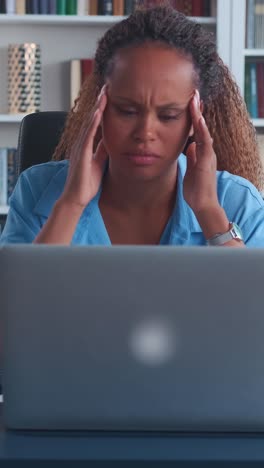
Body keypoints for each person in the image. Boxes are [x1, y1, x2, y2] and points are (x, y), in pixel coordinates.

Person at [1, 5, 264, 247]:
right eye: (127, 111)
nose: (145, 133)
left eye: (169, 115)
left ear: (196, 120)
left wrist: (208, 210)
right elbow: (21, 297)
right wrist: (71, 203)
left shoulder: (238, 202)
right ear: (99, 108)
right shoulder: (37, 189)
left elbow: (249, 298)